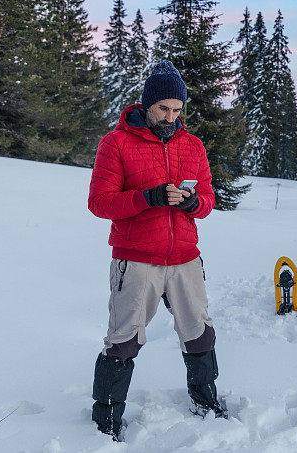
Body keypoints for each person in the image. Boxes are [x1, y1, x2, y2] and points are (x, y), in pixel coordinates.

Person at [87, 60, 226, 440]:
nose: (171, 116)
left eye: (178, 109)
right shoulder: (116, 143)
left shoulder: (193, 146)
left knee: (199, 334)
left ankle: (205, 400)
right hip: (136, 260)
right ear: (147, 104)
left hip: (184, 258)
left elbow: (208, 199)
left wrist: (189, 203)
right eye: (164, 108)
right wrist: (146, 198)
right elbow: (100, 202)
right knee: (123, 340)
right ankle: (107, 419)